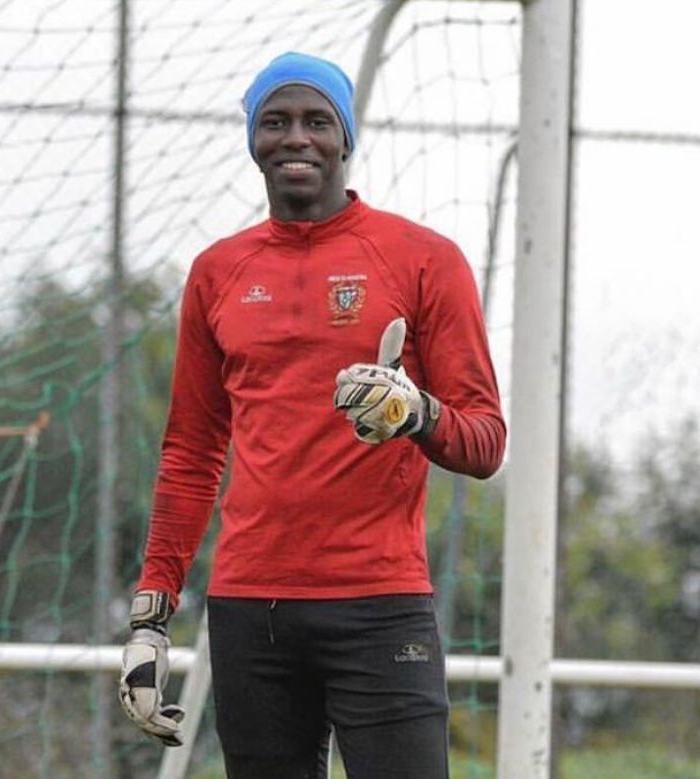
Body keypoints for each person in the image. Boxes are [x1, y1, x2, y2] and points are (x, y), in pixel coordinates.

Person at [118, 51, 505, 779]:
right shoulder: (216, 272)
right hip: (248, 613)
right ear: (254, 140)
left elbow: (485, 442)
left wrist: (416, 411)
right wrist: (150, 618)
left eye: (316, 120)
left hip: (381, 605)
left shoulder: (424, 259)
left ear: (346, 137)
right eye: (276, 121)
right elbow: (191, 453)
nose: (296, 137)